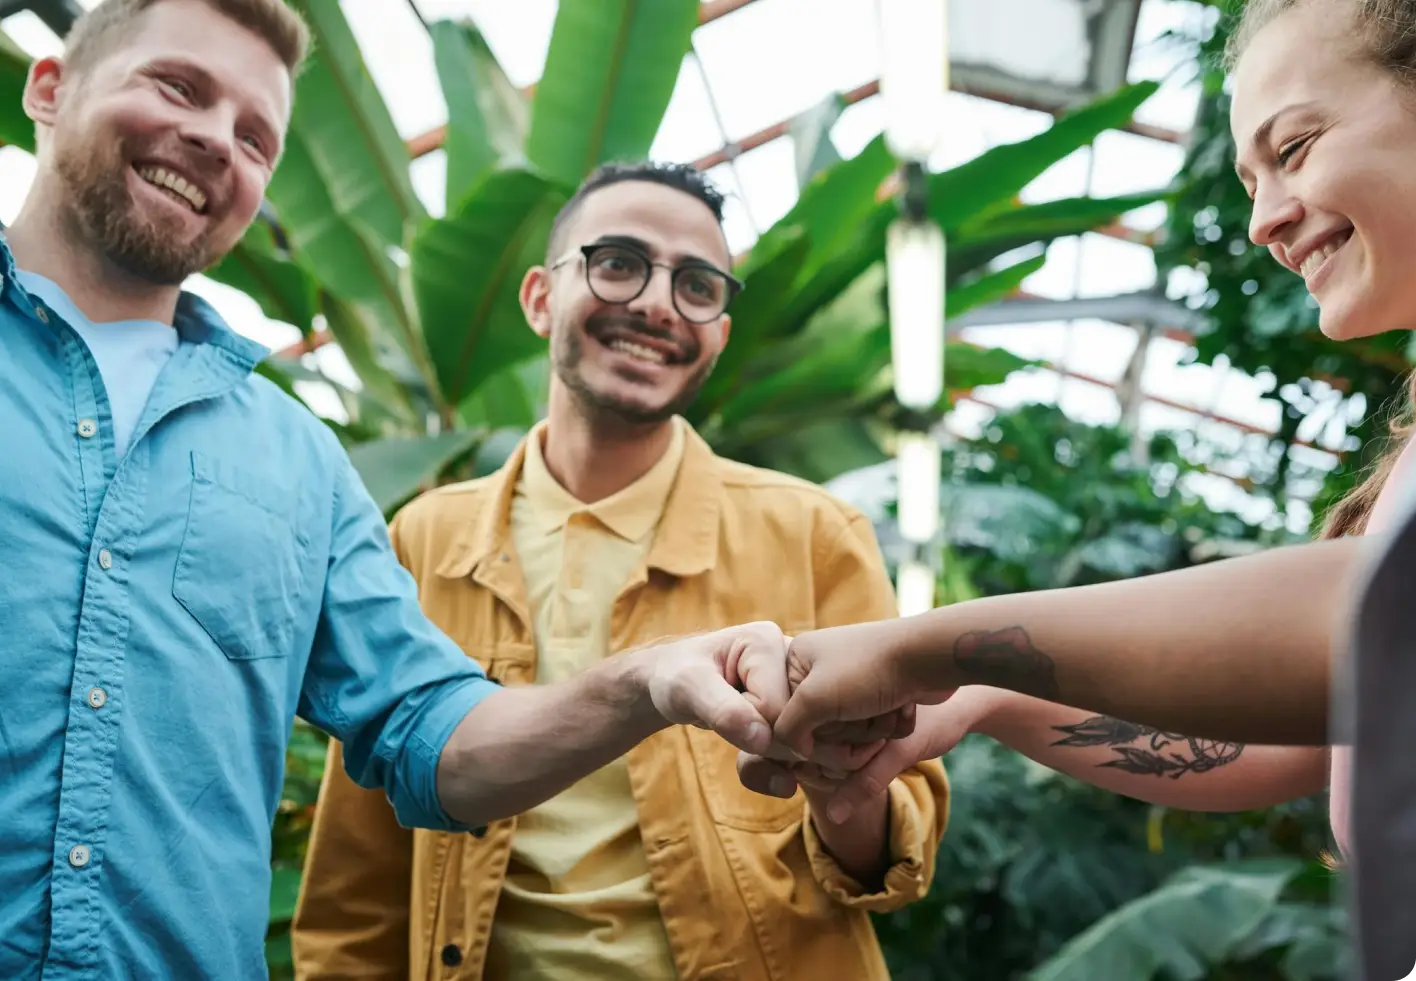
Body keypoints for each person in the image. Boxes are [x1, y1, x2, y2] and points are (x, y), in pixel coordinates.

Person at [0, 3, 892, 978]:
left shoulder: (300, 468)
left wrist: (652, 683)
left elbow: (430, 736)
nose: (217, 138)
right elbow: (358, 884)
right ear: (47, 88)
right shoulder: (427, 530)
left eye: (258, 136)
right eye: (177, 86)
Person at [289, 161, 950, 981]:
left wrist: (842, 789)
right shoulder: (425, 537)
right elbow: (360, 874)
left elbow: (893, 854)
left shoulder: (814, 534)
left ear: (718, 332)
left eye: (698, 285)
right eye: (618, 264)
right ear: (539, 297)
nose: (655, 303)